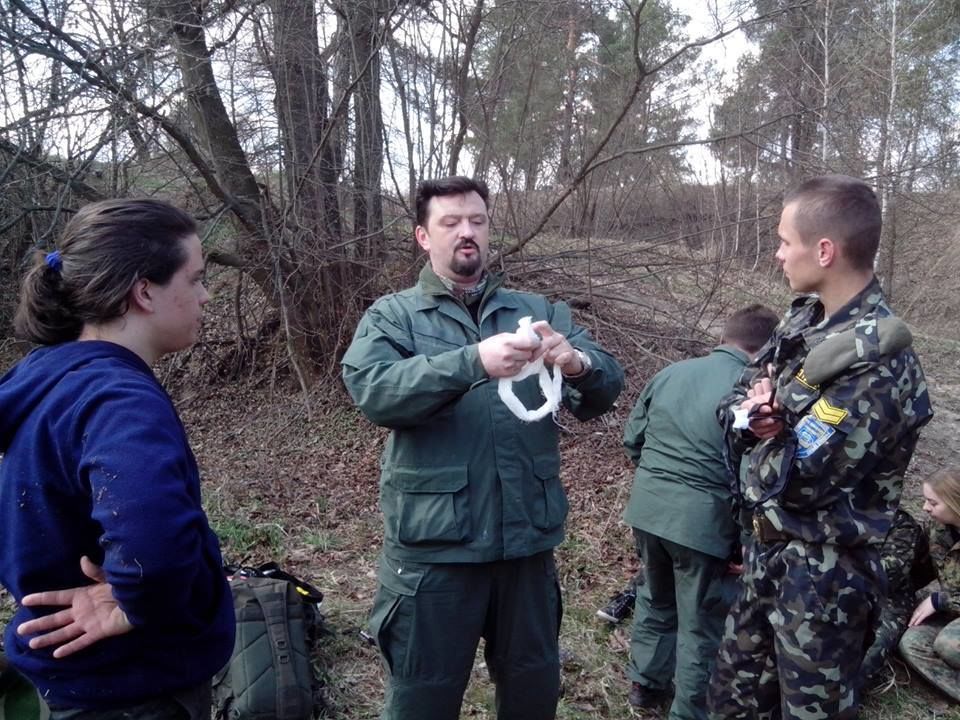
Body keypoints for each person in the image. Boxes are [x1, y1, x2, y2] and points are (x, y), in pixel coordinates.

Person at [341, 176, 624, 720]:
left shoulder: (537, 309)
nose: (466, 233)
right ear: (424, 236)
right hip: (434, 550)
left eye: (477, 221)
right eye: (450, 223)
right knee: (421, 698)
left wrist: (575, 362)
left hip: (526, 545)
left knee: (532, 693)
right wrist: (471, 362)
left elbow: (608, 384)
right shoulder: (392, 316)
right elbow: (375, 392)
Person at [706, 174, 933, 719]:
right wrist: (754, 415)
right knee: (729, 706)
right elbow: (734, 401)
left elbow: (798, 479)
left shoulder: (881, 365)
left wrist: (765, 432)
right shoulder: (803, 321)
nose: (778, 253)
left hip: (822, 582)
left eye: (786, 241)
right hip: (767, 558)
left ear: (824, 250)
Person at [0, 199, 235, 719]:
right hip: (134, 689)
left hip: (72, 682)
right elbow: (153, 541)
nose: (206, 294)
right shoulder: (119, 401)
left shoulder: (48, 378)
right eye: (194, 279)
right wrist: (137, 602)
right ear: (144, 290)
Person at [621, 304, 779, 717]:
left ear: (725, 336)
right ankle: (688, 711)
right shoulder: (752, 395)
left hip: (648, 510)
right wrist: (746, 541)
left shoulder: (672, 372)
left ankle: (645, 685)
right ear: (766, 347)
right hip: (705, 526)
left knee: (654, 598)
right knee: (701, 624)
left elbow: (633, 438)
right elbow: (754, 477)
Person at [898, 467, 960, 702]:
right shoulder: (938, 530)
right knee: (912, 642)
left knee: (949, 647)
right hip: (954, 615)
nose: (925, 508)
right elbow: (919, 568)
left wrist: (941, 600)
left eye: (933, 503)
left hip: (951, 610)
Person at [859, 507, 936, 691]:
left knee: (867, 655)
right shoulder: (825, 508)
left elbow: (889, 575)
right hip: (825, 589)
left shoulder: (899, 523)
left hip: (888, 598)